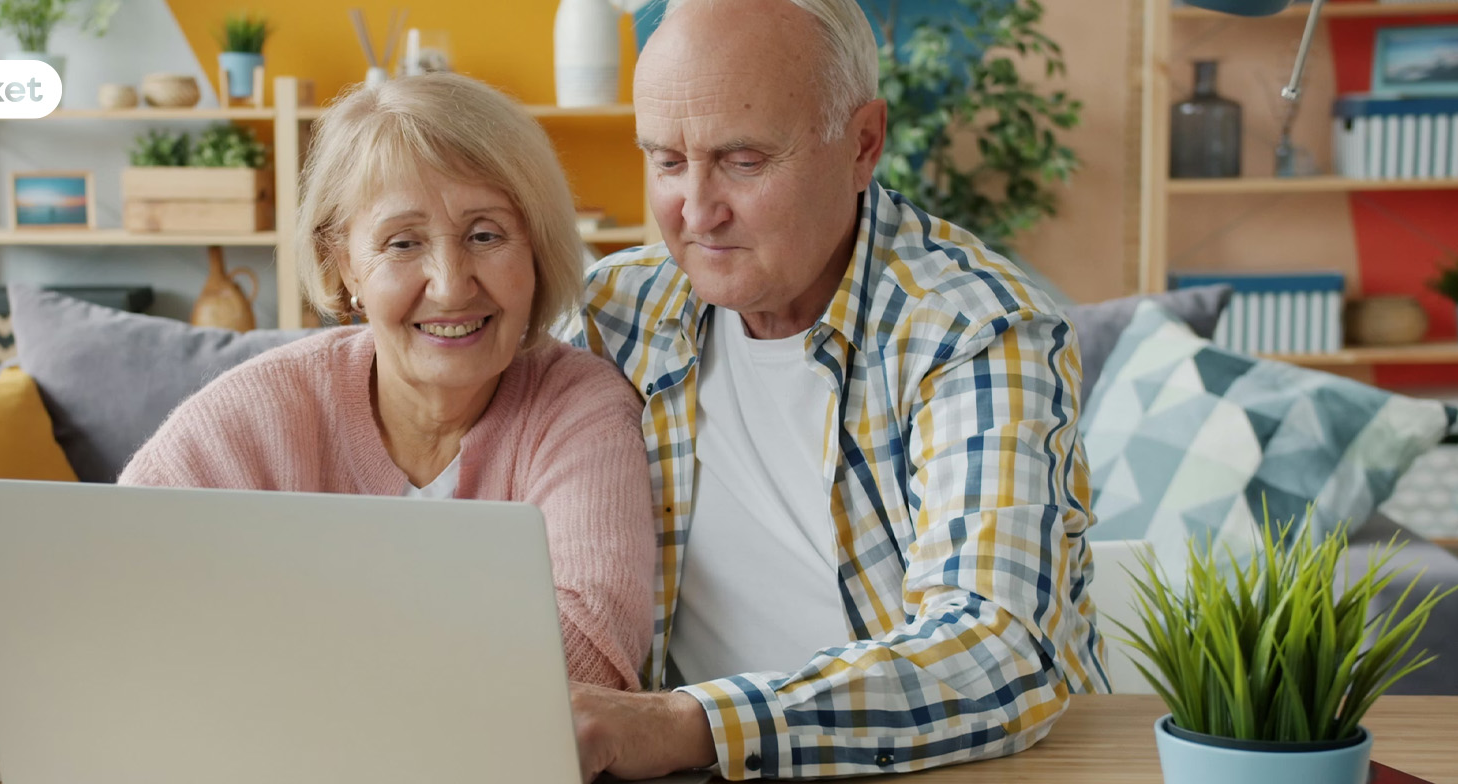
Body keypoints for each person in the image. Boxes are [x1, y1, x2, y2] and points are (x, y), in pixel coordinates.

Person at [562, 0, 1108, 779]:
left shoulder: (975, 330)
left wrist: (687, 724)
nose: (696, 211)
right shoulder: (613, 316)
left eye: (743, 160)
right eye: (667, 161)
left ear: (863, 144)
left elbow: (999, 651)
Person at [120, 73, 655, 691]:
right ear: (343, 261)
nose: (452, 285)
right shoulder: (263, 407)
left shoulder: (579, 407)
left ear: (536, 252)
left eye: (486, 235)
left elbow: (589, 656)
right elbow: (119, 581)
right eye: (403, 243)